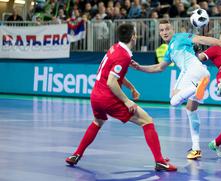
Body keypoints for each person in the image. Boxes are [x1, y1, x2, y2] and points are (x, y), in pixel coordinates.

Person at [65, 23, 177, 171]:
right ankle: (160, 161)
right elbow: (112, 82)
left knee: (97, 122)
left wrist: (131, 88)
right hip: (107, 97)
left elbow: (115, 75)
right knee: (147, 121)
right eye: (136, 34)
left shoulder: (115, 48)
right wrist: (127, 100)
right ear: (132, 37)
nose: (137, 36)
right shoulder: (123, 55)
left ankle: (76, 154)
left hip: (96, 96)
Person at [131, 19, 221, 160]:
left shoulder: (181, 36)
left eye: (167, 29)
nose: (164, 32)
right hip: (202, 73)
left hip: (193, 71)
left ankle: (197, 86)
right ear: (159, 33)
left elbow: (201, 39)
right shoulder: (169, 50)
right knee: (191, 109)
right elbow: (159, 67)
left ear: (173, 30)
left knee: (174, 101)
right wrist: (140, 67)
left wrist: (220, 43)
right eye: (162, 30)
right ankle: (196, 148)